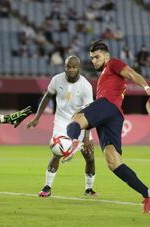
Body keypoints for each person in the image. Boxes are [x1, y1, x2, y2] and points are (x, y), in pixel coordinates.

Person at [62, 40, 150, 214]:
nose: (94, 60)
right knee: (113, 162)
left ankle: (72, 144)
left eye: (97, 56)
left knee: (76, 118)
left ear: (106, 56)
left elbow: (130, 73)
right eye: (92, 58)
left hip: (109, 106)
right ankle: (149, 194)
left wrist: (146, 87)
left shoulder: (113, 63)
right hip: (114, 115)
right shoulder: (104, 76)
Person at [26, 56, 97, 197]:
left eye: (74, 67)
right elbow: (47, 96)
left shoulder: (86, 86)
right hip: (61, 122)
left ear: (79, 68)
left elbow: (89, 111)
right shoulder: (57, 79)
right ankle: (47, 187)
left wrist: (87, 136)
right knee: (56, 153)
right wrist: (36, 118)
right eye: (68, 66)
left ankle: (89, 189)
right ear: (64, 67)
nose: (71, 69)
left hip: (79, 123)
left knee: (89, 157)